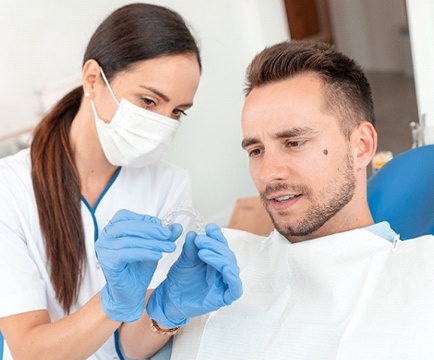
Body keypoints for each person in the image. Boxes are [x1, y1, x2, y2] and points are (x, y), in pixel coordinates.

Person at [143, 40, 434, 359]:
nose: (268, 173)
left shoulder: (419, 278)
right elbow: (132, 348)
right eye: (256, 150)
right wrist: (162, 313)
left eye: (294, 143)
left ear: (361, 146)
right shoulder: (225, 266)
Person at [0, 3, 229, 359]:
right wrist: (111, 303)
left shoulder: (169, 184)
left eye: (177, 112)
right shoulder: (10, 188)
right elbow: (30, 351)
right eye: (149, 100)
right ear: (93, 79)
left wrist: (169, 310)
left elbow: (130, 348)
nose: (163, 124)